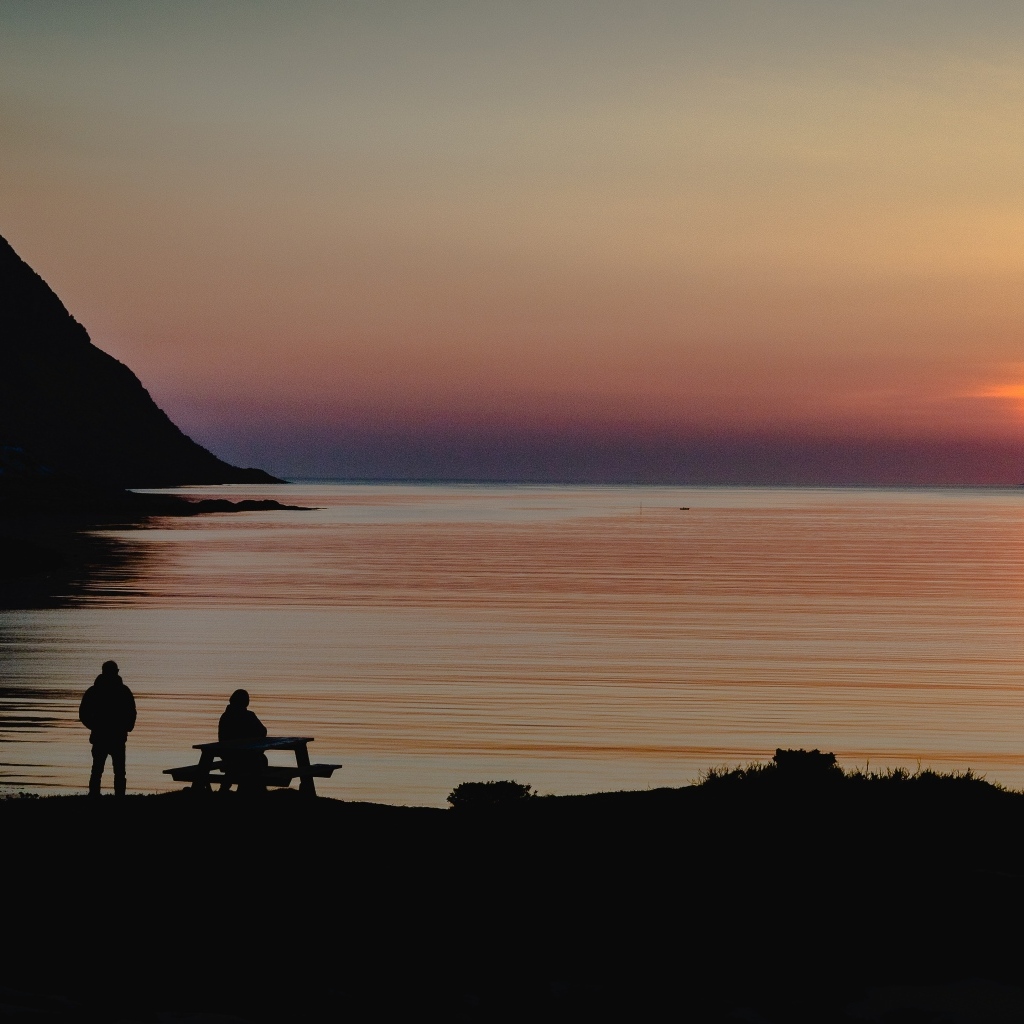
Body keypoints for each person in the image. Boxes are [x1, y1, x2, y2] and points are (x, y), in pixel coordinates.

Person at [79, 660, 137, 797]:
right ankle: (118, 797)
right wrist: (127, 726)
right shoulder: (123, 691)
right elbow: (131, 712)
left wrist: (94, 726)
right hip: (114, 736)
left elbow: (83, 713)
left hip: (104, 736)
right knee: (116, 771)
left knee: (98, 771)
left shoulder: (94, 691)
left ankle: (95, 796)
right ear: (115, 672)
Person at [218, 689, 268, 792]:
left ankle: (234, 788)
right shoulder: (248, 716)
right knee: (260, 760)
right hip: (241, 756)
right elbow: (263, 731)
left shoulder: (225, 716)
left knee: (256, 760)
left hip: (228, 755)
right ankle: (254, 789)